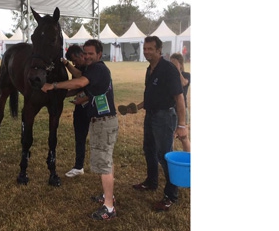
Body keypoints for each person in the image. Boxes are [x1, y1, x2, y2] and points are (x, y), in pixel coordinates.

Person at [41, 39, 118, 220]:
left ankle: (109, 208)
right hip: (103, 120)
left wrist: (54, 85)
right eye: (85, 53)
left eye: (91, 53)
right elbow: (84, 90)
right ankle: (108, 196)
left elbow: (79, 83)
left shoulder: (98, 69)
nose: (87, 56)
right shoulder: (94, 69)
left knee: (104, 163)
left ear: (99, 54)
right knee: (107, 159)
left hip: (103, 122)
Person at [131, 36, 188, 212]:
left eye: (150, 49)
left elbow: (179, 98)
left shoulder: (168, 69)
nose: (146, 51)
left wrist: (182, 125)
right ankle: (151, 182)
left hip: (164, 117)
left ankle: (171, 196)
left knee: (164, 155)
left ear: (159, 50)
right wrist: (138, 107)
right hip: (151, 115)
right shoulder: (150, 69)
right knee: (149, 149)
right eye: (145, 48)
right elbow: (151, 95)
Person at [61, 45, 90, 178]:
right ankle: (79, 166)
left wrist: (66, 64)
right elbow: (74, 87)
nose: (74, 63)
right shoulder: (76, 68)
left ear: (80, 55)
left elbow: (80, 80)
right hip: (80, 108)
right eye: (72, 62)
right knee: (79, 137)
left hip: (94, 109)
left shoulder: (92, 67)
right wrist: (61, 94)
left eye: (74, 60)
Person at [170, 52, 191, 152]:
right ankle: (170, 159)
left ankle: (189, 159)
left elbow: (183, 83)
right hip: (170, 110)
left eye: (173, 63)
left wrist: (177, 70)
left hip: (182, 110)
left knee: (184, 137)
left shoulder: (187, 75)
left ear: (181, 64)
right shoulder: (169, 76)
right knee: (170, 137)